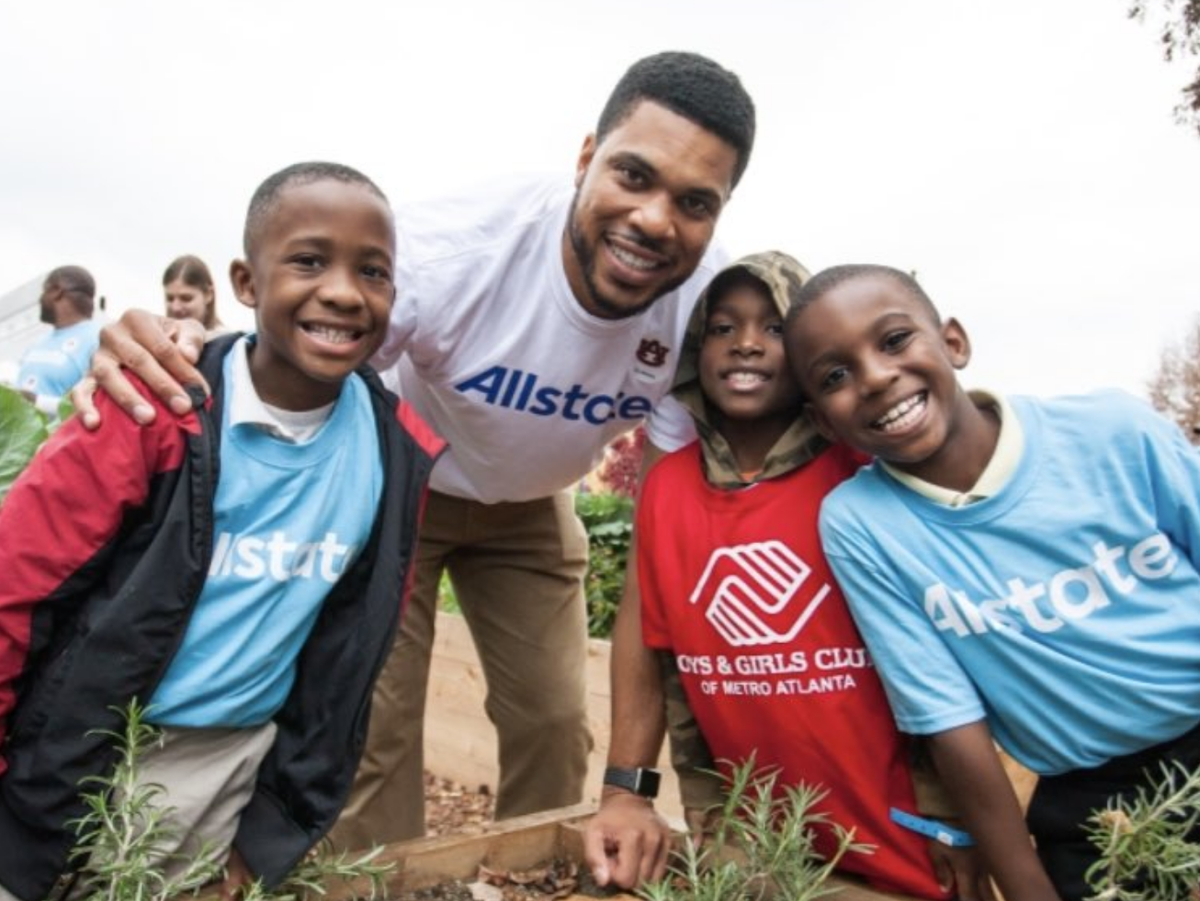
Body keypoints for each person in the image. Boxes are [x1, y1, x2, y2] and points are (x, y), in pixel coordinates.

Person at [76, 51, 756, 850]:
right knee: (373, 720)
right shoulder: (452, 255)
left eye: (694, 201)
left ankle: (535, 864)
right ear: (584, 158)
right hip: (403, 491)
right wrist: (190, 348)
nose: (653, 219)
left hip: (534, 506)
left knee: (555, 717)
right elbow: (297, 354)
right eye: (633, 176)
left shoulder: (699, 311)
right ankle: (375, 875)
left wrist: (630, 786)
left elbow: (657, 543)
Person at [0, 161, 443, 901]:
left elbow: (343, 662)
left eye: (372, 271)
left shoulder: (394, 453)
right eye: (308, 259)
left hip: (223, 768)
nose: (341, 289)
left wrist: (269, 827)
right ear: (246, 281)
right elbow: (18, 581)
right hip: (78, 749)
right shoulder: (152, 406)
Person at [783, 263, 1200, 901]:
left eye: (894, 340)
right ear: (822, 422)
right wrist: (1025, 886)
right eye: (835, 376)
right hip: (1092, 802)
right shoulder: (861, 525)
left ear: (954, 342)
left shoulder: (1114, 430)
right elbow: (949, 717)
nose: (874, 377)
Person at [587, 252, 987, 900]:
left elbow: (935, 664)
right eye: (722, 326)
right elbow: (674, 673)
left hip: (904, 842)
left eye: (774, 328)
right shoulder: (667, 490)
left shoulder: (861, 473)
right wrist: (684, 807)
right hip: (752, 849)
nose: (745, 342)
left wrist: (955, 818)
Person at [15, 265, 102, 415]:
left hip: (59, 437)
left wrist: (37, 401)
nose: (40, 299)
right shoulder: (38, 343)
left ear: (56, 291)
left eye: (44, 291)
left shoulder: (98, 340)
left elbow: (97, 408)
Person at [163, 254, 229, 336]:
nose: (176, 308)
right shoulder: (157, 342)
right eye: (170, 299)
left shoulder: (226, 343)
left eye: (186, 298)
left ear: (208, 295)